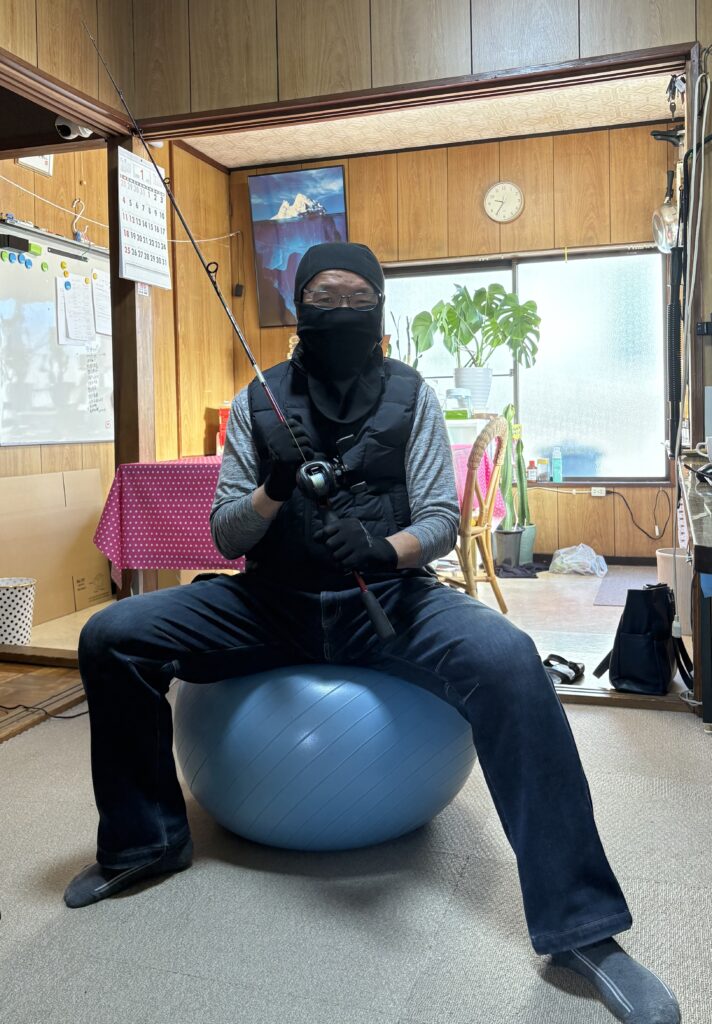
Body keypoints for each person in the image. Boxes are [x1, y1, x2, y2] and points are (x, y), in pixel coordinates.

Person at [66, 242, 679, 1024]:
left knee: (510, 659)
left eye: (359, 298)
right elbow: (223, 536)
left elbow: (443, 518)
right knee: (112, 636)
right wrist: (271, 492)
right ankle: (145, 843)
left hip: (391, 601)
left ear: (381, 310)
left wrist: (384, 549)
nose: (342, 311)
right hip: (271, 602)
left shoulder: (412, 395)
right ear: (299, 310)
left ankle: (582, 926)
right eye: (325, 298)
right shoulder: (257, 400)